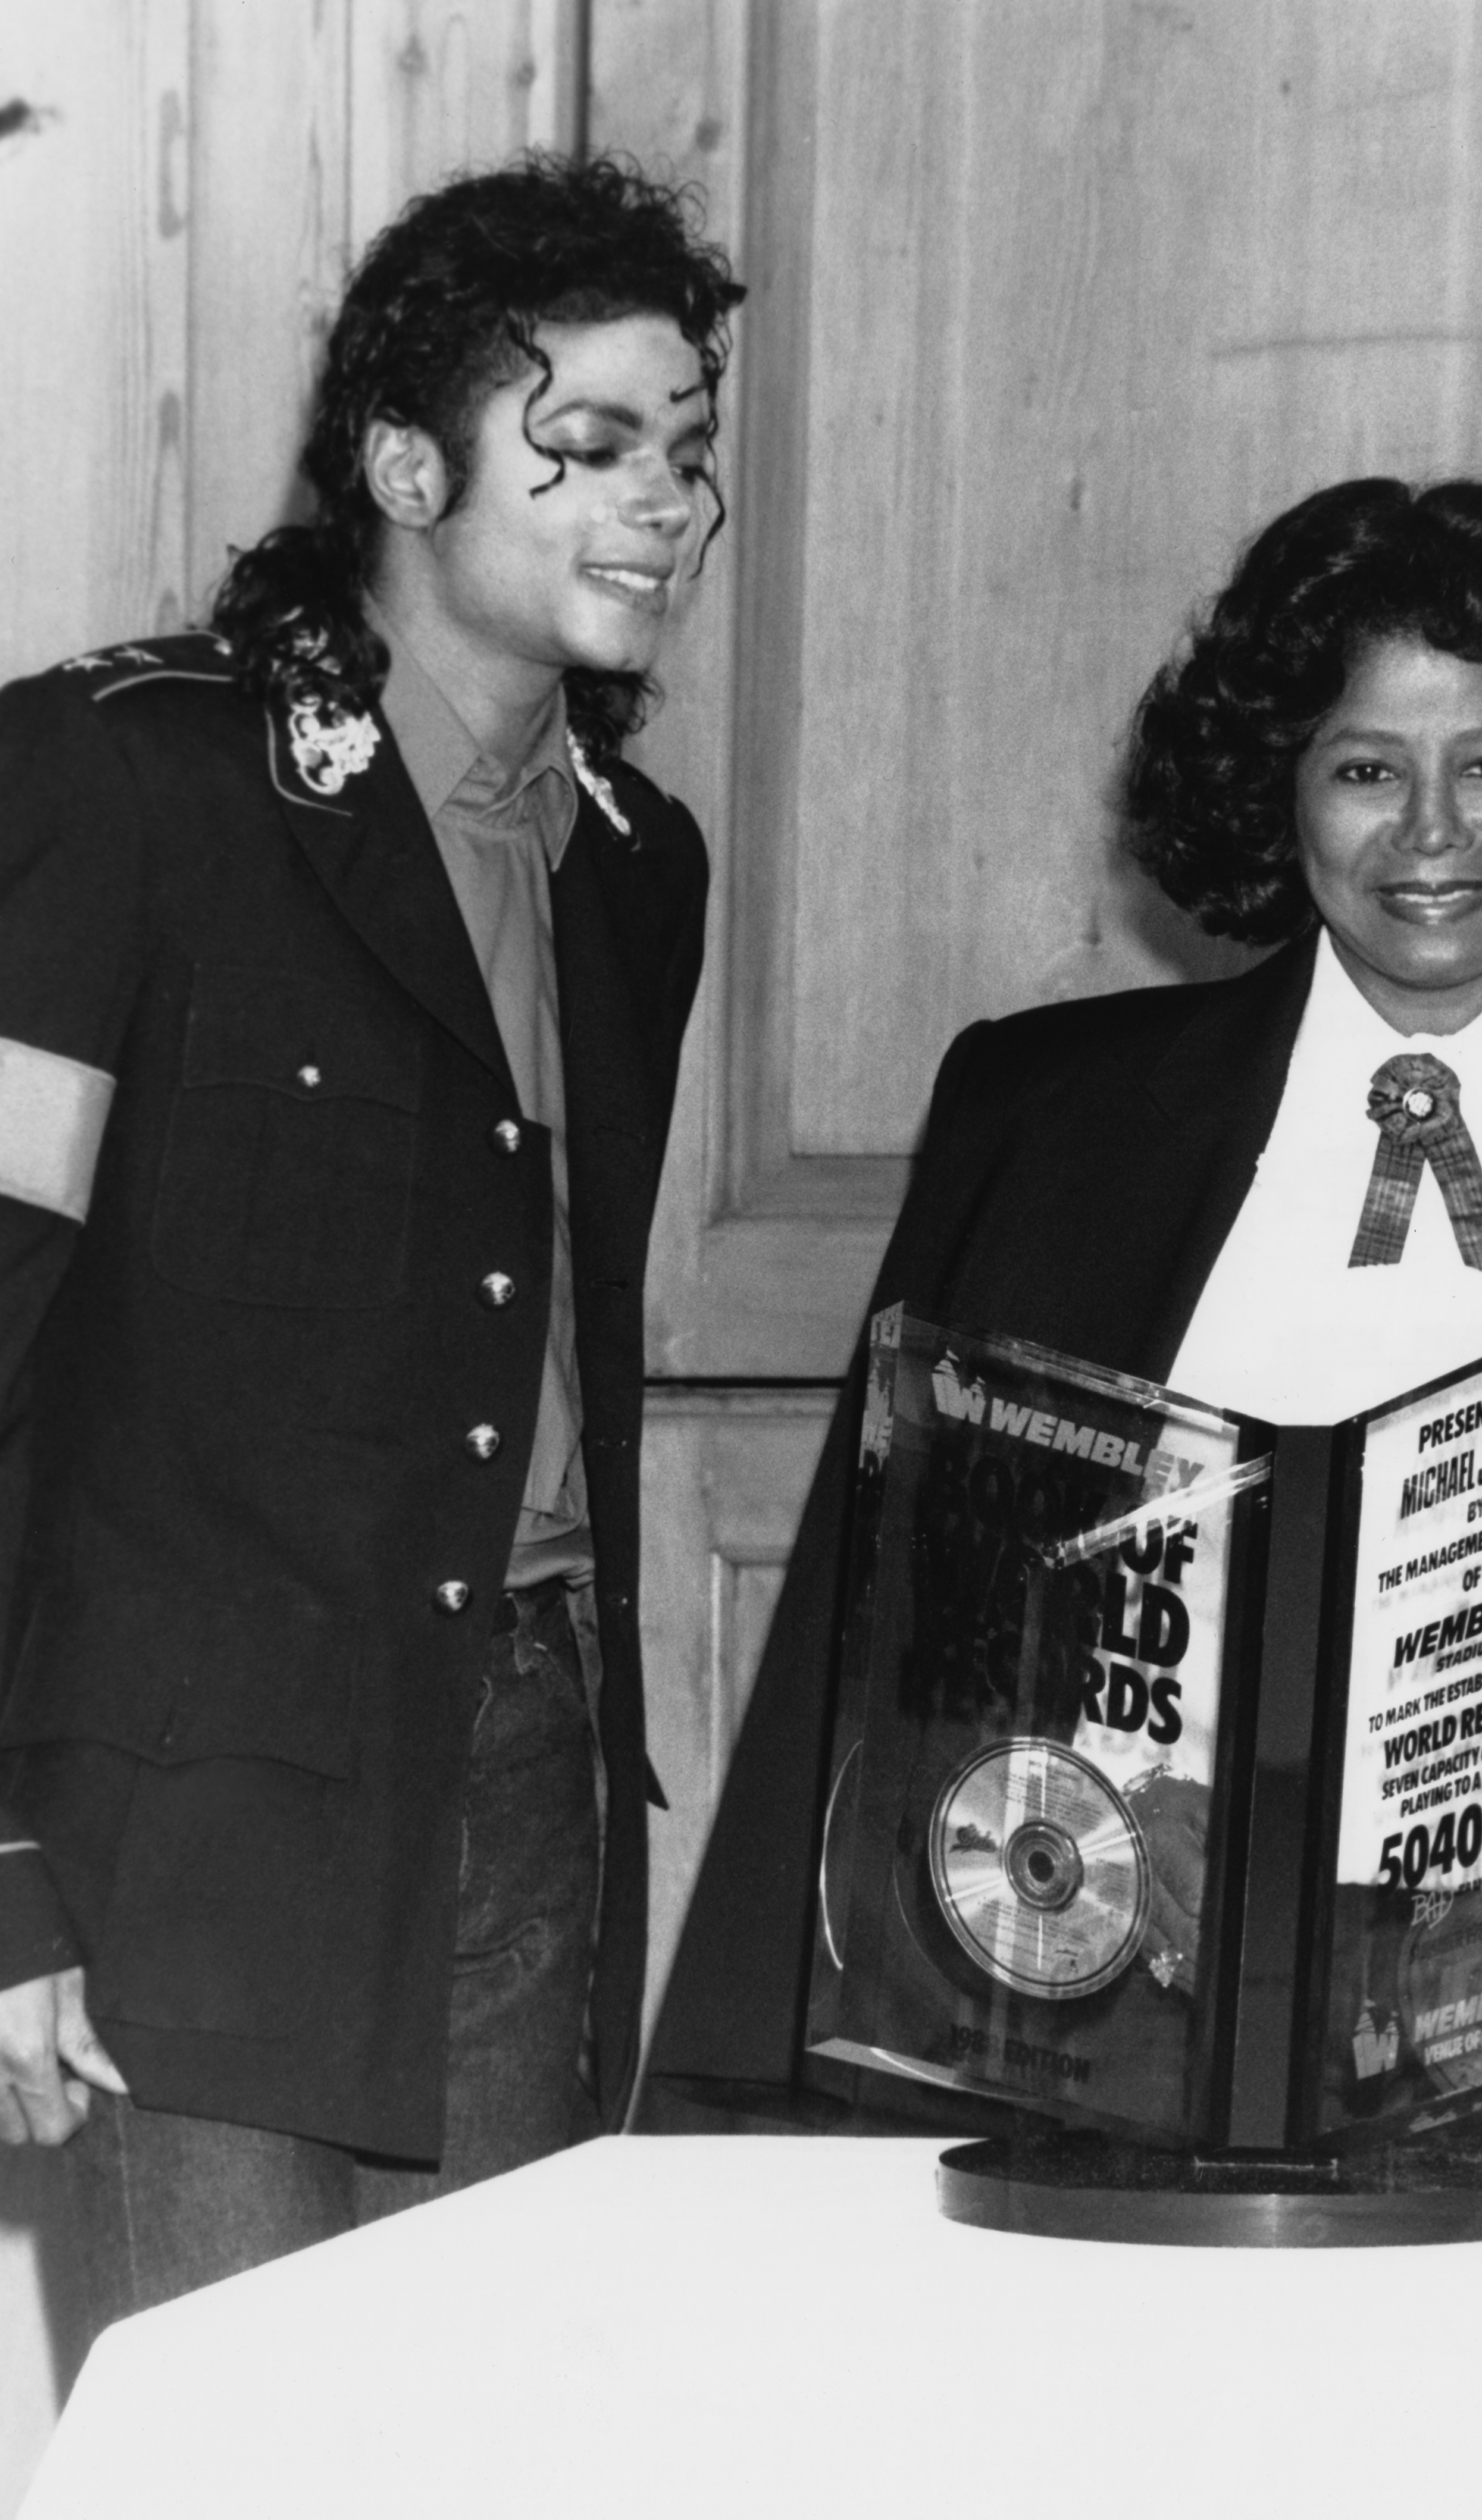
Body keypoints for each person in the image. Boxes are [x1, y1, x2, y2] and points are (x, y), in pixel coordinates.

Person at [649, 476, 1482, 2161]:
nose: (1431, 838)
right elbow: (879, 1661)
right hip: (1186, 2053)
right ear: (1278, 792)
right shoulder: (1057, 1116)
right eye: (1362, 769)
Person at [0, 152, 742, 2324]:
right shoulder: (128, 784)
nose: (665, 507)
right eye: (591, 446)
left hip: (525, 1769)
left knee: (478, 2444)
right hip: (195, 1819)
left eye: (685, 453)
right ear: (407, 467)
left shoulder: (639, 866)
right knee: (238, 2453)